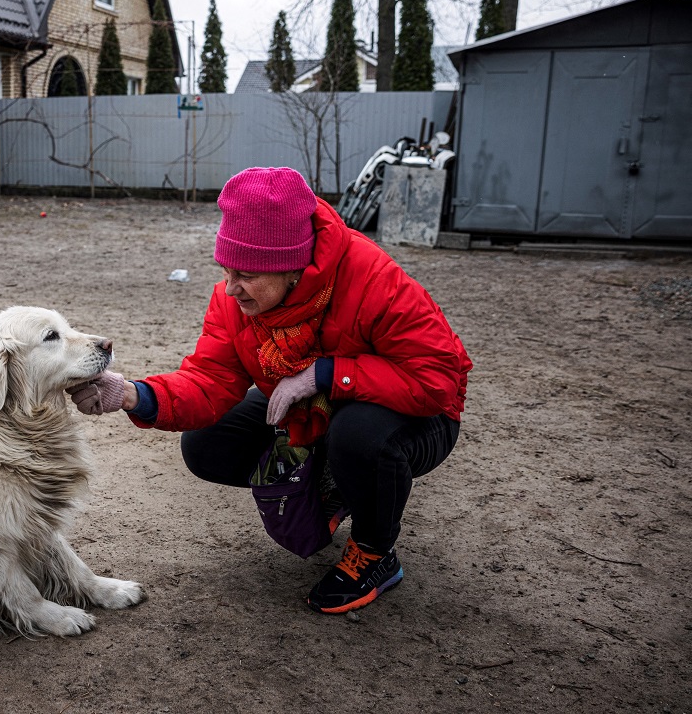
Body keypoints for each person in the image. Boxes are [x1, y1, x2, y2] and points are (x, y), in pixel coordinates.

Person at [66, 167, 472, 614]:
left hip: (420, 416)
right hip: (316, 404)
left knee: (357, 436)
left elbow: (436, 380)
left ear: (294, 266)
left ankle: (375, 552)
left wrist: (326, 374)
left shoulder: (371, 278)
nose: (229, 287)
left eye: (245, 274)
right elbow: (209, 381)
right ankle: (331, 483)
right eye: (225, 269)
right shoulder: (237, 299)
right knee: (207, 444)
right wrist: (129, 394)